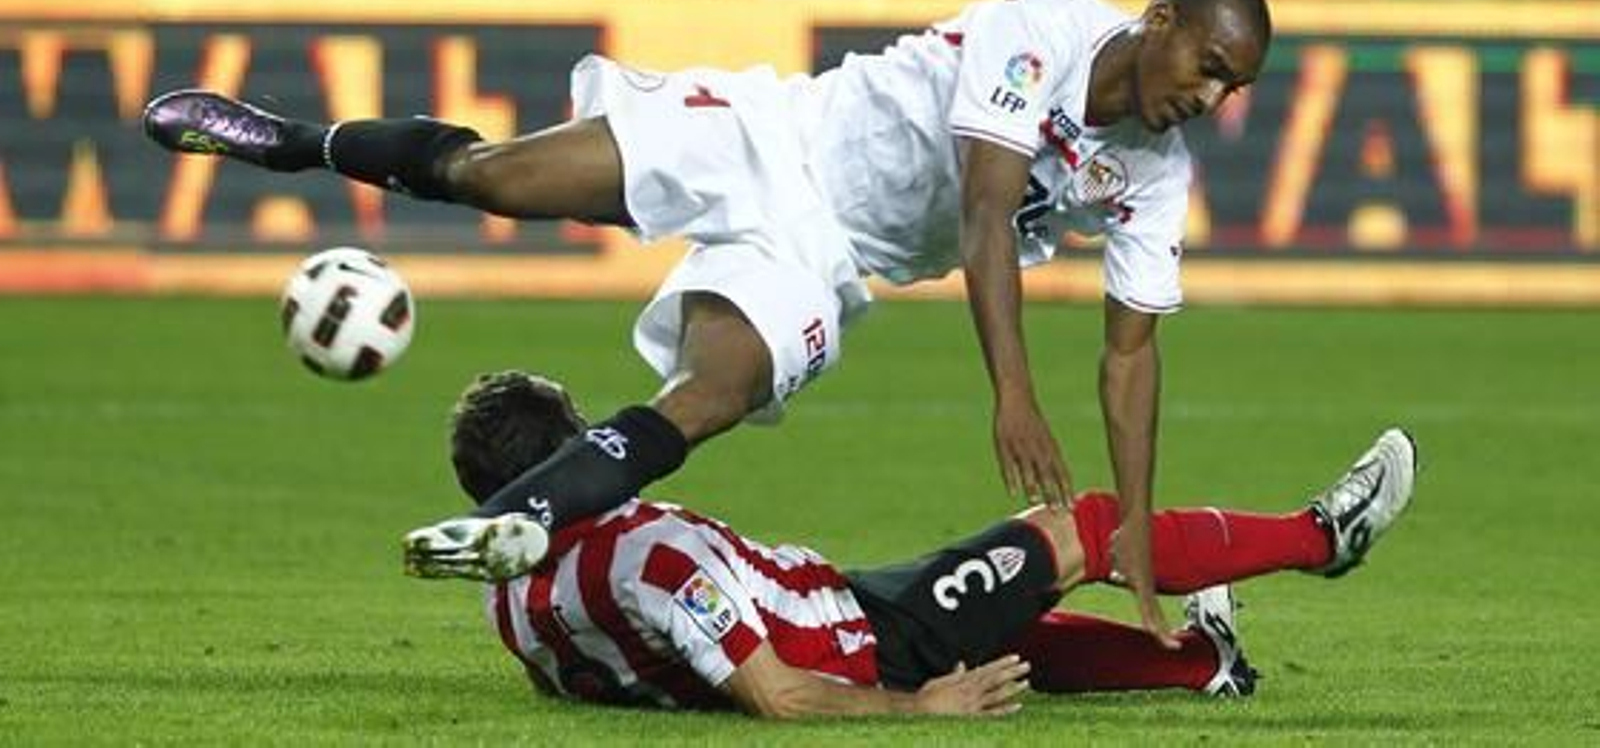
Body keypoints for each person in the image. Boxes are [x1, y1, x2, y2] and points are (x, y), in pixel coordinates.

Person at [141, 0, 1274, 646]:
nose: (1211, 98)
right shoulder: (1042, 31)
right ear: (1160, 16)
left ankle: (523, 519)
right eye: (1210, 66)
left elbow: (1133, 355)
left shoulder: (1153, 173)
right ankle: (285, 139)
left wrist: (1131, 519)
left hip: (826, 252)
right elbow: (985, 210)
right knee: (498, 178)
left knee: (711, 394)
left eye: (1234, 88)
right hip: (767, 136)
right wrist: (1012, 395)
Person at [417, 370, 1418, 717]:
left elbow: (597, 673)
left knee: (1007, 624)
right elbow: (772, 692)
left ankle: (1202, 664)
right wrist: (915, 704)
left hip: (833, 603)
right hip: (861, 642)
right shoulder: (647, 560)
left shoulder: (506, 599)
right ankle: (1320, 536)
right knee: (1081, 529)